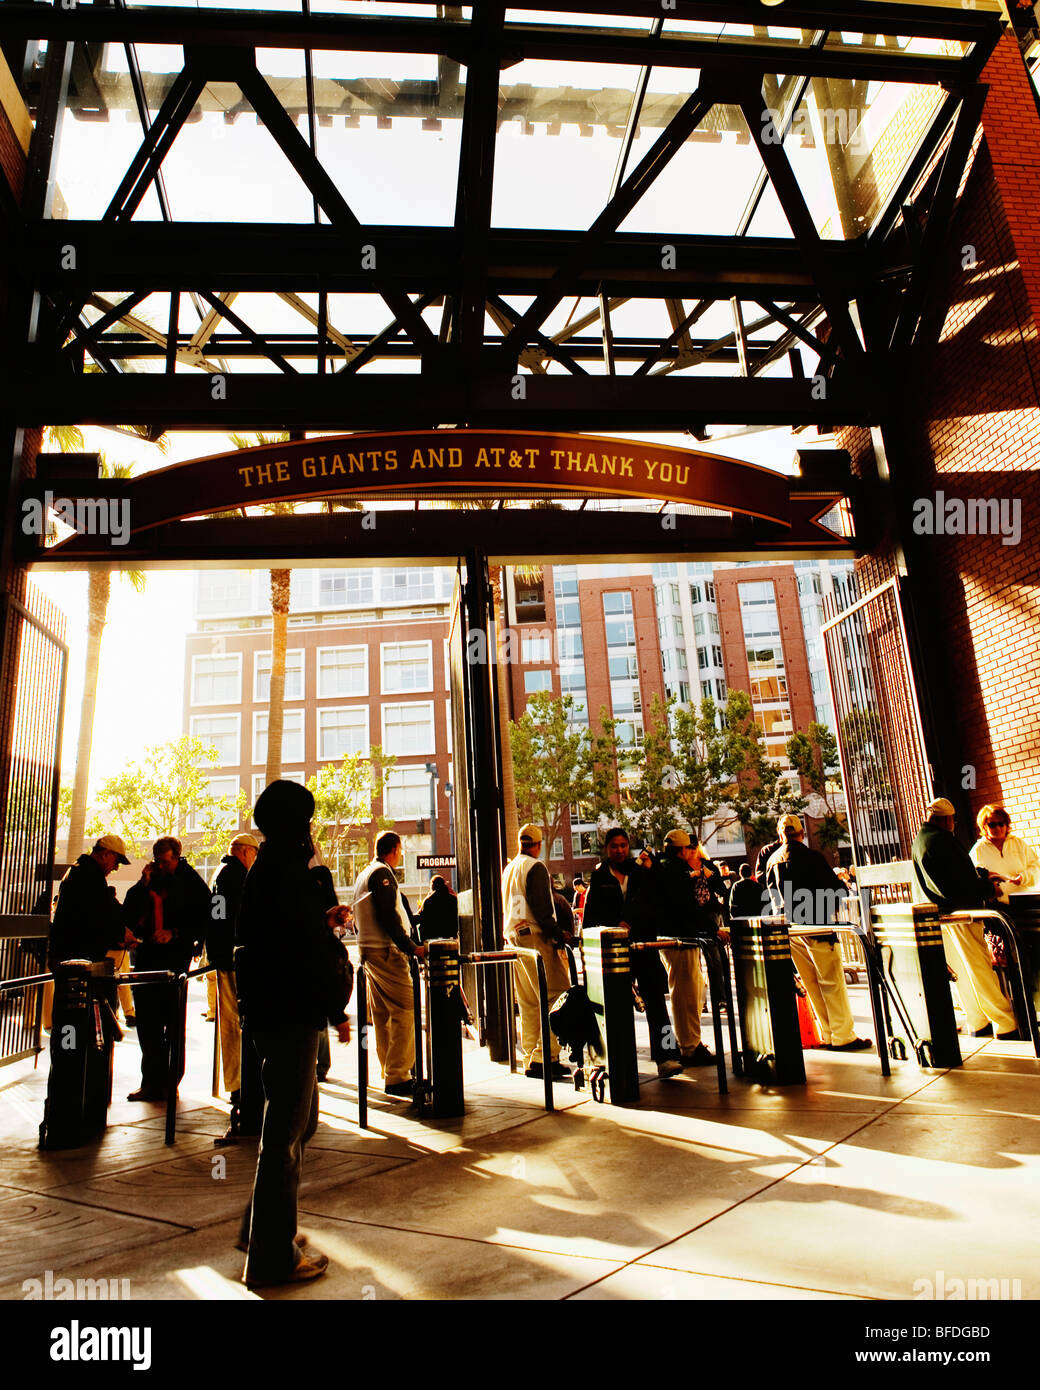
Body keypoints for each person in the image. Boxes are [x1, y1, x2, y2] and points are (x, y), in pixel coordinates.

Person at [235, 780, 351, 1287]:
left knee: (297, 1126)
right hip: (290, 1015)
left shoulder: (270, 869)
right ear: (295, 823)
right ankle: (270, 1256)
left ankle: (263, 1230)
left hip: (275, 1011)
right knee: (285, 1133)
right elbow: (305, 952)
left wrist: (321, 919)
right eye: (306, 819)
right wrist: (335, 1005)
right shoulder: (287, 872)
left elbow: (289, 936)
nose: (311, 829)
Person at [912, 797, 1019, 1038]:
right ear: (947, 819)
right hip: (960, 913)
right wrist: (989, 889)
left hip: (940, 915)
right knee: (979, 967)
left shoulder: (921, 840)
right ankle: (1004, 1023)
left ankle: (977, 1021)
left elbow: (953, 873)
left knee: (961, 971)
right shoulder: (942, 841)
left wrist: (981, 873)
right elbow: (958, 883)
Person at [765, 814, 871, 1051]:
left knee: (811, 984)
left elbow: (772, 899)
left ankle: (826, 1034)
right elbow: (838, 892)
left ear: (781, 835)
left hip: (791, 930)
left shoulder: (772, 861)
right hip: (818, 925)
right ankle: (843, 1036)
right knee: (832, 981)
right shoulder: (812, 857)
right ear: (801, 833)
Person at [583, 827, 683, 1078]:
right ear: (606, 848)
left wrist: (653, 869)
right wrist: (610, 929)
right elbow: (591, 914)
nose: (619, 850)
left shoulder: (640, 871)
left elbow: (659, 899)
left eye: (623, 845)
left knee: (656, 1004)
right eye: (614, 846)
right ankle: (618, 1057)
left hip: (643, 945)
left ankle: (667, 1056)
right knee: (616, 1005)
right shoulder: (599, 876)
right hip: (614, 950)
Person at [122, 837, 211, 1102]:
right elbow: (129, 911)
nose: (162, 866)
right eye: (158, 861)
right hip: (147, 955)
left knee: (172, 1023)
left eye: (166, 861)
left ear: (177, 857)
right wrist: (143, 883)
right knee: (147, 1023)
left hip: (174, 957)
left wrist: (176, 933)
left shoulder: (190, 881)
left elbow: (206, 915)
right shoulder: (151, 879)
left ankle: (170, 1082)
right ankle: (150, 1081)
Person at [352, 831, 426, 1098]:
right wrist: (411, 947)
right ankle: (398, 1075)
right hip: (385, 951)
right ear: (393, 849)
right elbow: (389, 916)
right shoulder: (382, 874)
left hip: (370, 951)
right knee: (407, 1009)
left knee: (383, 1015)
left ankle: (390, 1071)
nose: (401, 855)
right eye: (400, 850)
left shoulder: (365, 873)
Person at [501, 823, 571, 1080]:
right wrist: (557, 933)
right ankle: (545, 1055)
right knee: (556, 995)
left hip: (514, 938)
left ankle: (533, 1055)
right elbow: (542, 908)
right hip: (535, 938)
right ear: (539, 845)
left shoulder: (509, 868)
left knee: (530, 1002)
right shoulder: (536, 867)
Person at [654, 829, 727, 1068]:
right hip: (681, 937)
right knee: (686, 992)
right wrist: (712, 929)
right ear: (683, 849)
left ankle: (689, 1043)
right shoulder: (679, 871)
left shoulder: (660, 866)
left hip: (666, 936)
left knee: (686, 988)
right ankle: (690, 1046)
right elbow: (687, 907)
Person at [208, 833, 259, 1141]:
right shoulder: (237, 876)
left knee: (230, 1024)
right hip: (234, 959)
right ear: (243, 851)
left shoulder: (219, 873)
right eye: (253, 852)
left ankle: (237, 1085)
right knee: (234, 1026)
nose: (255, 858)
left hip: (224, 956)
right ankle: (240, 1088)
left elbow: (215, 916)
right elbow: (235, 918)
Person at [49, 833, 133, 972]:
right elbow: (100, 913)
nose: (116, 867)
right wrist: (121, 932)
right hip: (77, 955)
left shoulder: (79, 869)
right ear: (105, 854)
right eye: (116, 861)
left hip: (66, 953)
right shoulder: (91, 875)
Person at [970, 804, 1040, 906]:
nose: (998, 828)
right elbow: (972, 879)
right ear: (984, 826)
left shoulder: (1019, 843)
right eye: (992, 825)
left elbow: (1036, 867)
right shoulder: (977, 850)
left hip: (1025, 903)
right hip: (997, 908)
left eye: (1001, 824)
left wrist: (1023, 878)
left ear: (1006, 824)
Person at [417, 874, 459, 942]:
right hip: (451, 938)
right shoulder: (454, 899)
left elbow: (423, 924)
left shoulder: (428, 901)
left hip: (433, 940)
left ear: (432, 886)